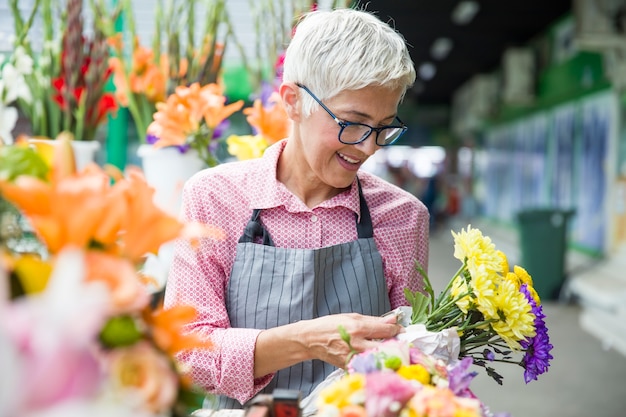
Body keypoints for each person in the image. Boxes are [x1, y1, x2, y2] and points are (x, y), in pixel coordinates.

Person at [164, 7, 430, 409]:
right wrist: (306, 341)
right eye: (352, 123)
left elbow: (414, 357)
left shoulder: (403, 217)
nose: (368, 147)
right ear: (292, 101)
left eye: (383, 128)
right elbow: (184, 355)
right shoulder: (214, 199)